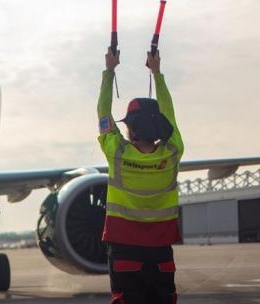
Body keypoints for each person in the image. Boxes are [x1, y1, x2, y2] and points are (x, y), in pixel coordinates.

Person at [97, 49, 184, 304]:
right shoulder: (172, 152)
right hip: (161, 254)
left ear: (130, 127)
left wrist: (109, 69)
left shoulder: (117, 153)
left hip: (125, 251)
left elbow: (103, 112)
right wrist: (157, 74)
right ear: (159, 126)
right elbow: (170, 115)